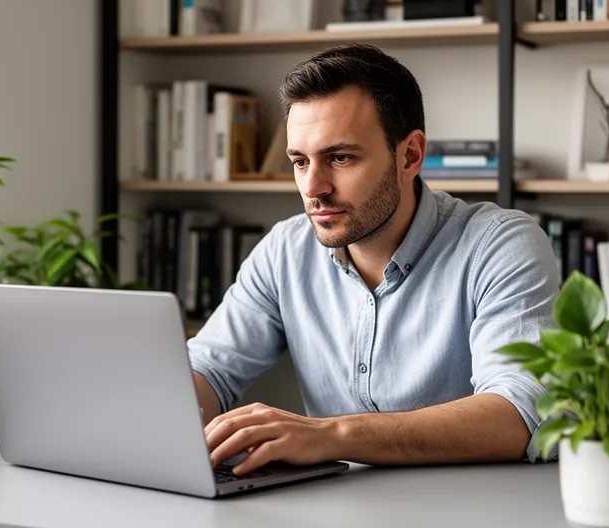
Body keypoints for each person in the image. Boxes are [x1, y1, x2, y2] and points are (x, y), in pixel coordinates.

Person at [187, 43, 560, 477]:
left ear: (410, 156)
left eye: (339, 158)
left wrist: (331, 435)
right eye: (299, 161)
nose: (314, 187)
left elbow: (518, 413)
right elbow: (209, 368)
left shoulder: (499, 244)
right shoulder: (284, 251)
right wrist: (174, 412)